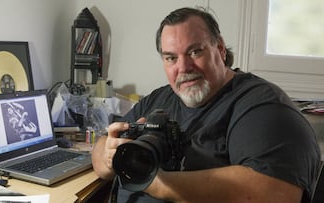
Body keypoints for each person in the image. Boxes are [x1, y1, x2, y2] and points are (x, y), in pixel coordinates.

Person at [92, 7, 321, 203]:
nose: (183, 67)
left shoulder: (263, 106)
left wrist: (152, 181)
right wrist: (108, 155)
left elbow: (277, 193)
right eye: (171, 57)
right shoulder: (159, 99)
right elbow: (101, 151)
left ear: (220, 49)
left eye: (195, 51)